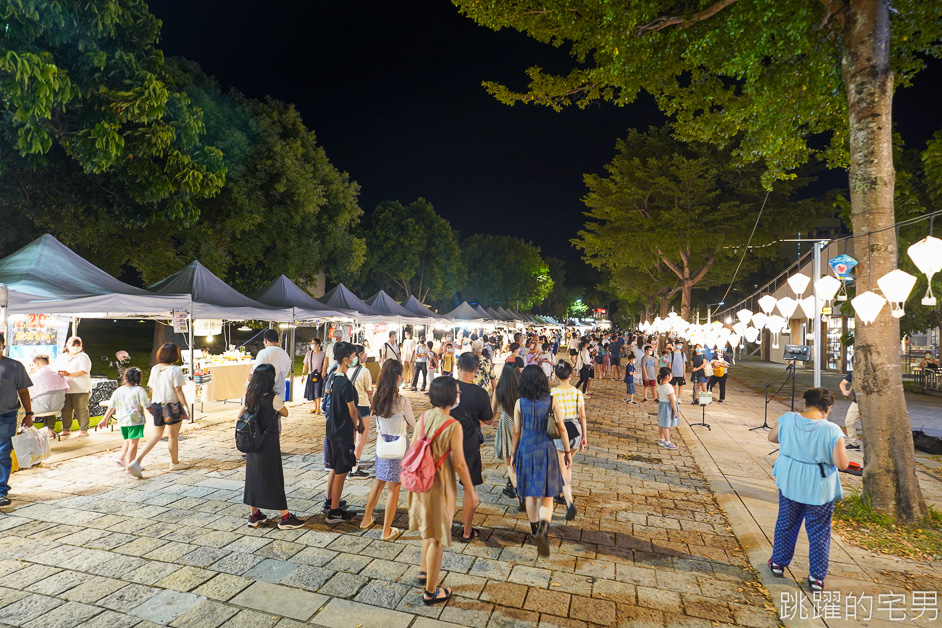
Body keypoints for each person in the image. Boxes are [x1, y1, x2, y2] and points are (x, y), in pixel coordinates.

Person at [768, 388, 849, 592]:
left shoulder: (787, 418)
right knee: (819, 531)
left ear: (804, 403)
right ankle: (816, 577)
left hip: (790, 480)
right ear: (828, 408)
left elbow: (772, 437)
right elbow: (842, 463)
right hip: (818, 486)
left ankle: (778, 563)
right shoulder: (832, 430)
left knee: (786, 523)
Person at [407, 377, 476, 606]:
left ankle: (425, 570)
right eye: (456, 392)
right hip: (439, 485)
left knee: (429, 529)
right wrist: (471, 491)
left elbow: (415, 446)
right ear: (449, 396)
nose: (459, 395)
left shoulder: (424, 417)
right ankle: (431, 592)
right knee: (437, 538)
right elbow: (459, 464)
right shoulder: (452, 425)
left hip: (420, 482)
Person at [513, 365, 569, 557]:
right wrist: (568, 450)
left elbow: (516, 431)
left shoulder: (520, 403)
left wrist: (513, 454)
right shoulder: (552, 400)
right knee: (547, 494)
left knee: (530, 494)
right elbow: (561, 428)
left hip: (526, 450)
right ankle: (544, 528)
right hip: (546, 448)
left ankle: (534, 529)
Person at [242, 363, 306, 530]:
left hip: (253, 444)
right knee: (274, 478)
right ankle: (285, 517)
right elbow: (285, 413)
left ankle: (254, 515)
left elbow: (242, 414)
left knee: (253, 478)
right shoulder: (273, 399)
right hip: (268, 444)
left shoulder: (249, 395)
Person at [360, 360, 415, 540]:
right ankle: (386, 531)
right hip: (398, 446)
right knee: (394, 487)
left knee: (379, 482)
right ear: (398, 377)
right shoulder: (401, 401)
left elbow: (379, 419)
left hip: (382, 444)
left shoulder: (377, 397)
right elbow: (414, 424)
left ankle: (366, 519)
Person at [127, 343, 190, 478]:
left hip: (156, 404)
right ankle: (174, 463)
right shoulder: (175, 370)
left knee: (157, 435)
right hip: (171, 405)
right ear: (175, 355)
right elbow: (178, 390)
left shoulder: (155, 369)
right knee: (173, 436)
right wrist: (185, 407)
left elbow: (152, 388)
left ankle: (137, 460)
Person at [451, 352, 493, 541]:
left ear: (457, 365)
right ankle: (467, 531)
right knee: (469, 487)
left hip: (444, 442)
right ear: (476, 370)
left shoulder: (445, 387)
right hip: (468, 443)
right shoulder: (480, 393)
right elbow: (489, 420)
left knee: (445, 485)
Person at [324, 342, 364, 523]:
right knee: (341, 471)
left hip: (332, 429)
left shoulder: (333, 377)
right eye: (354, 355)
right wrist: (357, 424)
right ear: (346, 359)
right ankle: (334, 511)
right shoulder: (346, 383)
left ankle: (329, 501)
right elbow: (351, 409)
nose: (356, 358)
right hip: (342, 431)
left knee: (334, 466)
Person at [0, 333, 34, 507]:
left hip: (6, 416)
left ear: (3, 347)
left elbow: (23, 392)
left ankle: (0, 491)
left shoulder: (14, 366)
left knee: (3, 452)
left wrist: (29, 414)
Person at [550, 360, 585, 521]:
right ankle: (563, 493)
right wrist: (585, 435)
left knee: (563, 468)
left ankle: (569, 502)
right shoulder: (578, 393)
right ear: (570, 375)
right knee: (568, 465)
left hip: (560, 429)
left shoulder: (553, 393)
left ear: (556, 375)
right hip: (576, 429)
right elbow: (583, 416)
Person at [100, 368, 151, 470]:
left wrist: (104, 419)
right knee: (133, 444)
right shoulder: (139, 390)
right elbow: (146, 404)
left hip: (122, 421)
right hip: (135, 421)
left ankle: (122, 458)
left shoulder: (119, 390)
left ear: (125, 377)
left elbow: (111, 406)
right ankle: (130, 466)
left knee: (128, 440)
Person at [493, 363, 522, 509]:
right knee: (520, 459)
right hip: (521, 423)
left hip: (505, 423)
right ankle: (517, 488)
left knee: (510, 462)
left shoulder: (499, 390)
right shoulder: (523, 388)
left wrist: (493, 421)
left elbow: (491, 414)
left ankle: (517, 489)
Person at [56, 336, 92, 437]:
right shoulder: (61, 357)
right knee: (66, 410)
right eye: (73, 344)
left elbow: (84, 371)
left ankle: (84, 430)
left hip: (81, 388)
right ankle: (66, 429)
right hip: (66, 388)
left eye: (78, 344)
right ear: (67, 345)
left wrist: (69, 374)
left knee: (81, 409)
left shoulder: (83, 356)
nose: (75, 346)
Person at [349, 345, 373, 478]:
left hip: (348, 407)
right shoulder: (365, 371)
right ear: (358, 355)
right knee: (360, 438)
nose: (365, 356)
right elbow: (369, 392)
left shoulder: (346, 371)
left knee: (350, 438)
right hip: (362, 406)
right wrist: (373, 405)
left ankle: (349, 464)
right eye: (363, 353)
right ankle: (354, 467)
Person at [250, 329, 292, 400]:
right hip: (280, 392)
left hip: (265, 392)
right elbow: (287, 372)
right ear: (278, 341)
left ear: (265, 340)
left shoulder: (263, 353)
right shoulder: (285, 354)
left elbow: (256, 371)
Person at [656, 366, 680, 450]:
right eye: (671, 375)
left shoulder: (660, 385)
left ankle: (661, 439)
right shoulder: (669, 387)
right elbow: (671, 400)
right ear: (667, 376)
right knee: (666, 425)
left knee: (661, 423)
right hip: (668, 407)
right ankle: (667, 442)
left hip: (662, 405)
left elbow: (658, 395)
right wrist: (675, 411)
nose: (672, 376)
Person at [301, 338, 327, 414]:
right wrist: (303, 374)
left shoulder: (323, 354)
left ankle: (318, 408)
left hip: (319, 375)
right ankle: (315, 408)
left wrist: (323, 372)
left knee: (317, 391)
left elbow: (325, 364)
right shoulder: (309, 353)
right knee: (311, 391)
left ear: (318, 344)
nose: (312, 344)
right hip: (311, 375)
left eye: (313, 343)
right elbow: (305, 365)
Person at [839, 369, 861, 451]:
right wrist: (844, 391)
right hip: (856, 402)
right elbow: (842, 383)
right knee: (849, 421)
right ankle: (853, 443)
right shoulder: (853, 373)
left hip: (870, 403)